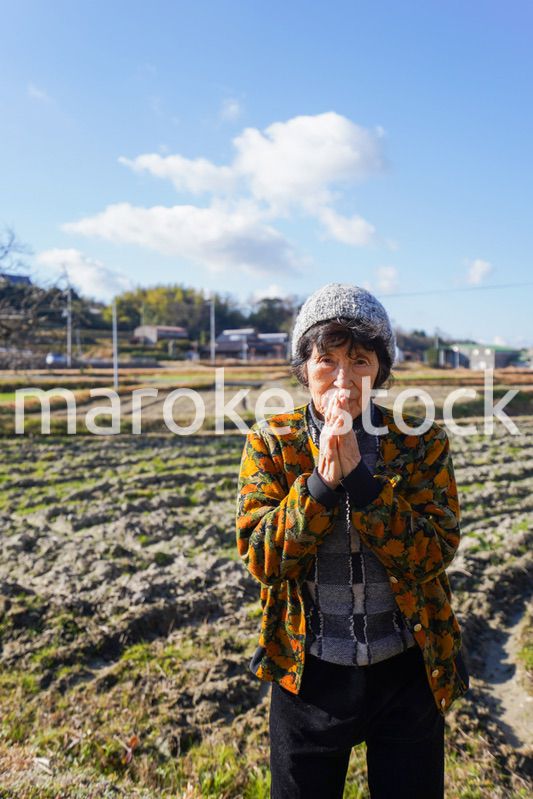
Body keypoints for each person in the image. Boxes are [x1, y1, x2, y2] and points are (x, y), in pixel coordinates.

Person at [235, 282, 469, 799]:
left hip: (407, 668)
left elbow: (434, 552)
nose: (343, 379)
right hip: (310, 670)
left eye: (360, 361)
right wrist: (319, 485)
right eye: (327, 361)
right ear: (304, 369)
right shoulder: (272, 443)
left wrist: (362, 484)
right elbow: (262, 558)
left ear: (381, 371)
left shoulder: (419, 442)